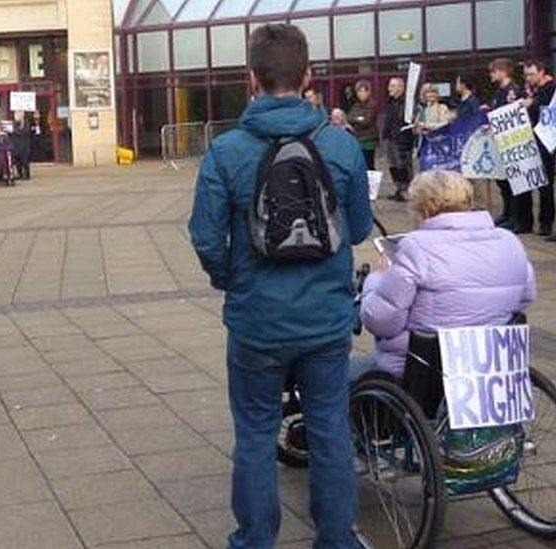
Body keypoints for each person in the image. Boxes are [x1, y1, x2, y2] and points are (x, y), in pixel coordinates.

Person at [189, 24, 372, 549]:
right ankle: (336, 541)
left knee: (253, 435)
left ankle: (253, 542)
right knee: (331, 431)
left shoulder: (226, 152)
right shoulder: (340, 146)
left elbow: (205, 236)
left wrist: (233, 279)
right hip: (325, 321)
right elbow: (357, 229)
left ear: (251, 78)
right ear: (309, 76)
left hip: (257, 322)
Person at [357, 171, 535, 379]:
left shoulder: (416, 247)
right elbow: (526, 296)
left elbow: (380, 321)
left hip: (425, 369)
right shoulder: (508, 241)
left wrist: (376, 280)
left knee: (344, 376)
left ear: (423, 210)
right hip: (491, 362)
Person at [488, 58, 525, 231]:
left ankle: (517, 218)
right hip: (500, 142)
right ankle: (508, 213)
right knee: (503, 182)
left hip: (512, 142)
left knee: (514, 183)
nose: (491, 75)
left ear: (503, 71)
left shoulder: (514, 91)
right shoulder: (499, 92)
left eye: (494, 71)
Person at [521, 59, 556, 238]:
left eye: (532, 74)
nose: (528, 78)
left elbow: (548, 112)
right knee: (543, 184)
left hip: (549, 142)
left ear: (542, 72)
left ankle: (547, 222)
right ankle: (544, 223)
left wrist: (531, 104)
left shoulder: (551, 88)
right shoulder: (535, 90)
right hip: (539, 141)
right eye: (526, 75)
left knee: (547, 185)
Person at [383, 77, 415, 202]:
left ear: (401, 88)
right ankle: (398, 189)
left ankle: (407, 190)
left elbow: (408, 121)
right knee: (393, 165)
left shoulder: (407, 103)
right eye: (390, 85)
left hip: (402, 139)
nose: (389, 88)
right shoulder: (391, 101)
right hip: (390, 138)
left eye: (392, 86)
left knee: (403, 166)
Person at [347, 80, 378, 170]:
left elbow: (366, 121)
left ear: (368, 92)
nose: (361, 94)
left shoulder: (372, 105)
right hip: (357, 139)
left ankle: (372, 183)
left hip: (368, 140)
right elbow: (349, 117)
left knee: (369, 165)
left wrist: (356, 119)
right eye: (359, 91)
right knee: (359, 165)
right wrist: (358, 118)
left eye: (363, 91)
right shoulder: (356, 105)